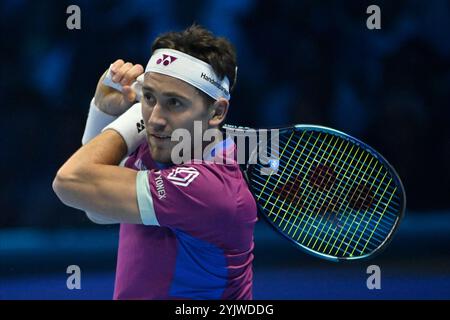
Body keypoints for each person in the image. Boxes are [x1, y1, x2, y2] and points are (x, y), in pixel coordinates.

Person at [53, 25, 258, 300]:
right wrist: (102, 112)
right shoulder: (166, 149)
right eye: (149, 97)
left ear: (217, 111)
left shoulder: (210, 188)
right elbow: (98, 209)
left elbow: (69, 182)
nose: (156, 119)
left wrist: (133, 116)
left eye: (174, 103)